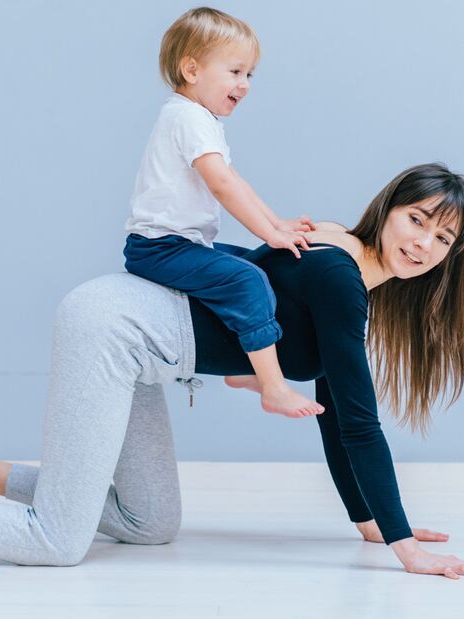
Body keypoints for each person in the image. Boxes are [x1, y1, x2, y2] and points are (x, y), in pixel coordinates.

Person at [0, 163, 464, 580]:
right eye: (417, 219)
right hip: (116, 327)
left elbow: (330, 416)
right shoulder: (339, 273)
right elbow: (359, 419)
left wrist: (371, 521)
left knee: (150, 520)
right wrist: (406, 545)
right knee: (57, 541)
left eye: (443, 238)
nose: (423, 243)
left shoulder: (336, 263)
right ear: (390, 207)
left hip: (142, 353)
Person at [123, 7, 323, 418]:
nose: (244, 85)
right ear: (192, 70)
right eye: (234, 72)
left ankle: (249, 368)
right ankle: (272, 386)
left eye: (249, 75)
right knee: (248, 279)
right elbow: (222, 185)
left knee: (256, 264)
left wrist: (276, 224)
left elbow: (236, 179)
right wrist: (271, 234)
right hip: (159, 248)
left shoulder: (199, 119)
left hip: (180, 244)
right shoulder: (187, 117)